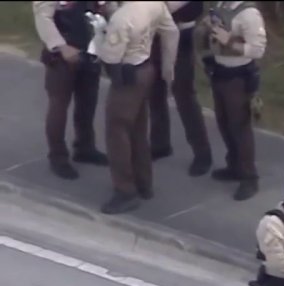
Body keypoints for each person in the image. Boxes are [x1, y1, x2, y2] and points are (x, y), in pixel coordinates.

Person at [94, 0, 179, 215]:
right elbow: (171, 31)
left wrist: (100, 33)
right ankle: (144, 182)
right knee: (138, 130)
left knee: (117, 131)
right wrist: (168, 68)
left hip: (126, 75)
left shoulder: (122, 19)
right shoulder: (154, 4)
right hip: (146, 68)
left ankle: (125, 190)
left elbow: (111, 57)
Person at [33, 1, 112, 180]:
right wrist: (61, 47)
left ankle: (85, 147)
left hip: (91, 49)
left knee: (88, 102)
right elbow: (43, 17)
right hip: (62, 54)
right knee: (58, 105)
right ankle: (57, 156)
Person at [198, 1, 266, 202]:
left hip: (238, 76)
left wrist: (230, 42)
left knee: (240, 126)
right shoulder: (221, 5)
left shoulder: (249, 14)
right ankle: (234, 165)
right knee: (223, 122)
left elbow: (258, 50)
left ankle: (249, 177)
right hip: (219, 71)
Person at [148, 1, 212, 176]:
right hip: (153, 34)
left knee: (183, 94)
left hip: (181, 34)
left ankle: (202, 153)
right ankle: (159, 144)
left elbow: (186, 8)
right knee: (154, 91)